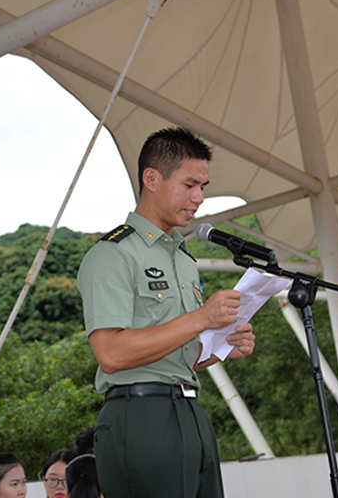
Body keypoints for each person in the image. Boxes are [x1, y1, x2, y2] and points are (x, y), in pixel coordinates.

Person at [77, 127, 256, 498]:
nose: (199, 198)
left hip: (190, 412)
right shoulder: (113, 254)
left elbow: (176, 355)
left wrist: (221, 347)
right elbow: (110, 354)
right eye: (190, 185)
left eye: (203, 186)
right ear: (152, 178)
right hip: (140, 416)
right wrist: (201, 319)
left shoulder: (184, 260)